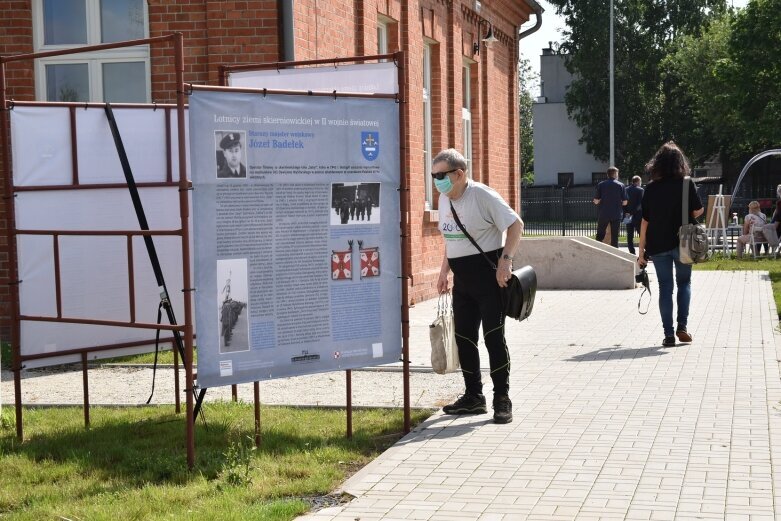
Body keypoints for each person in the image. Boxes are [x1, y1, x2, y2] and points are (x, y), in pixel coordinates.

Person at [434, 148, 523, 424]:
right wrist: (443, 271)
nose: (437, 180)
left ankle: (502, 398)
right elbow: (452, 239)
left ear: (459, 174)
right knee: (464, 339)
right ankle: (474, 396)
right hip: (462, 282)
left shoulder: (482, 196)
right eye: (433, 175)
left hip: (489, 279)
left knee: (493, 338)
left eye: (441, 175)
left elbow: (516, 225)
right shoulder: (444, 200)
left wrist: (506, 261)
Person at [637, 141, 704, 348]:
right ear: (680, 163)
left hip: (657, 245)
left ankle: (668, 335)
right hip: (684, 242)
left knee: (665, 288)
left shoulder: (650, 188)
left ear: (657, 164)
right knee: (684, 283)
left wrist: (641, 253)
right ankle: (682, 327)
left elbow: (644, 222)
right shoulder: (687, 183)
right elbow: (697, 211)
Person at [593, 167, 628, 248]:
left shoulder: (601, 184)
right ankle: (615, 253)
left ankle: (597, 251)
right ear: (615, 174)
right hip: (616, 214)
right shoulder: (621, 185)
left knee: (600, 235)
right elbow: (625, 202)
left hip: (603, 213)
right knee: (615, 237)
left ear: (607, 174)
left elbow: (596, 201)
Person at [625, 175, 644, 254]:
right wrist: (633, 212)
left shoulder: (625, 189)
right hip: (637, 215)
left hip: (627, 215)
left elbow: (623, 202)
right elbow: (640, 204)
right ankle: (643, 251)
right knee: (641, 234)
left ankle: (631, 251)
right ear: (638, 181)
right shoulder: (640, 190)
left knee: (629, 234)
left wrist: (627, 212)